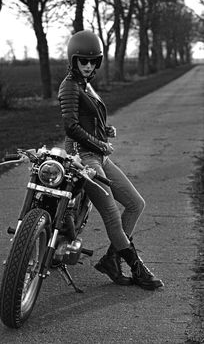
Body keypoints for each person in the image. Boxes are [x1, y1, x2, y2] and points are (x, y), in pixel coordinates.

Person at [58, 30, 163, 290]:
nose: (88, 66)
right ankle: (137, 268)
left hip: (98, 155)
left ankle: (110, 260)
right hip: (83, 158)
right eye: (83, 61)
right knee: (112, 216)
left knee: (136, 204)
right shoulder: (69, 85)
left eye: (93, 62)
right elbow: (71, 127)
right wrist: (99, 143)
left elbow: (87, 119)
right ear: (73, 60)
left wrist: (105, 130)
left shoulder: (85, 84)